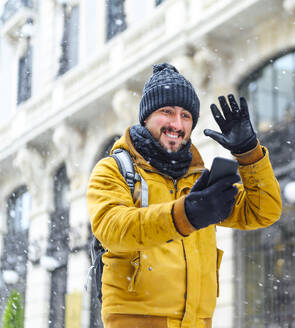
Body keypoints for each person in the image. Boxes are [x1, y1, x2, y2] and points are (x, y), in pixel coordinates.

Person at [86, 63, 282, 328]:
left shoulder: (197, 179)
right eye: (166, 112)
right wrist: (186, 214)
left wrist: (249, 153)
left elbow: (263, 211)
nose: (176, 124)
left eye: (186, 116)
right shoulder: (114, 169)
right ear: (146, 117)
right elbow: (113, 228)